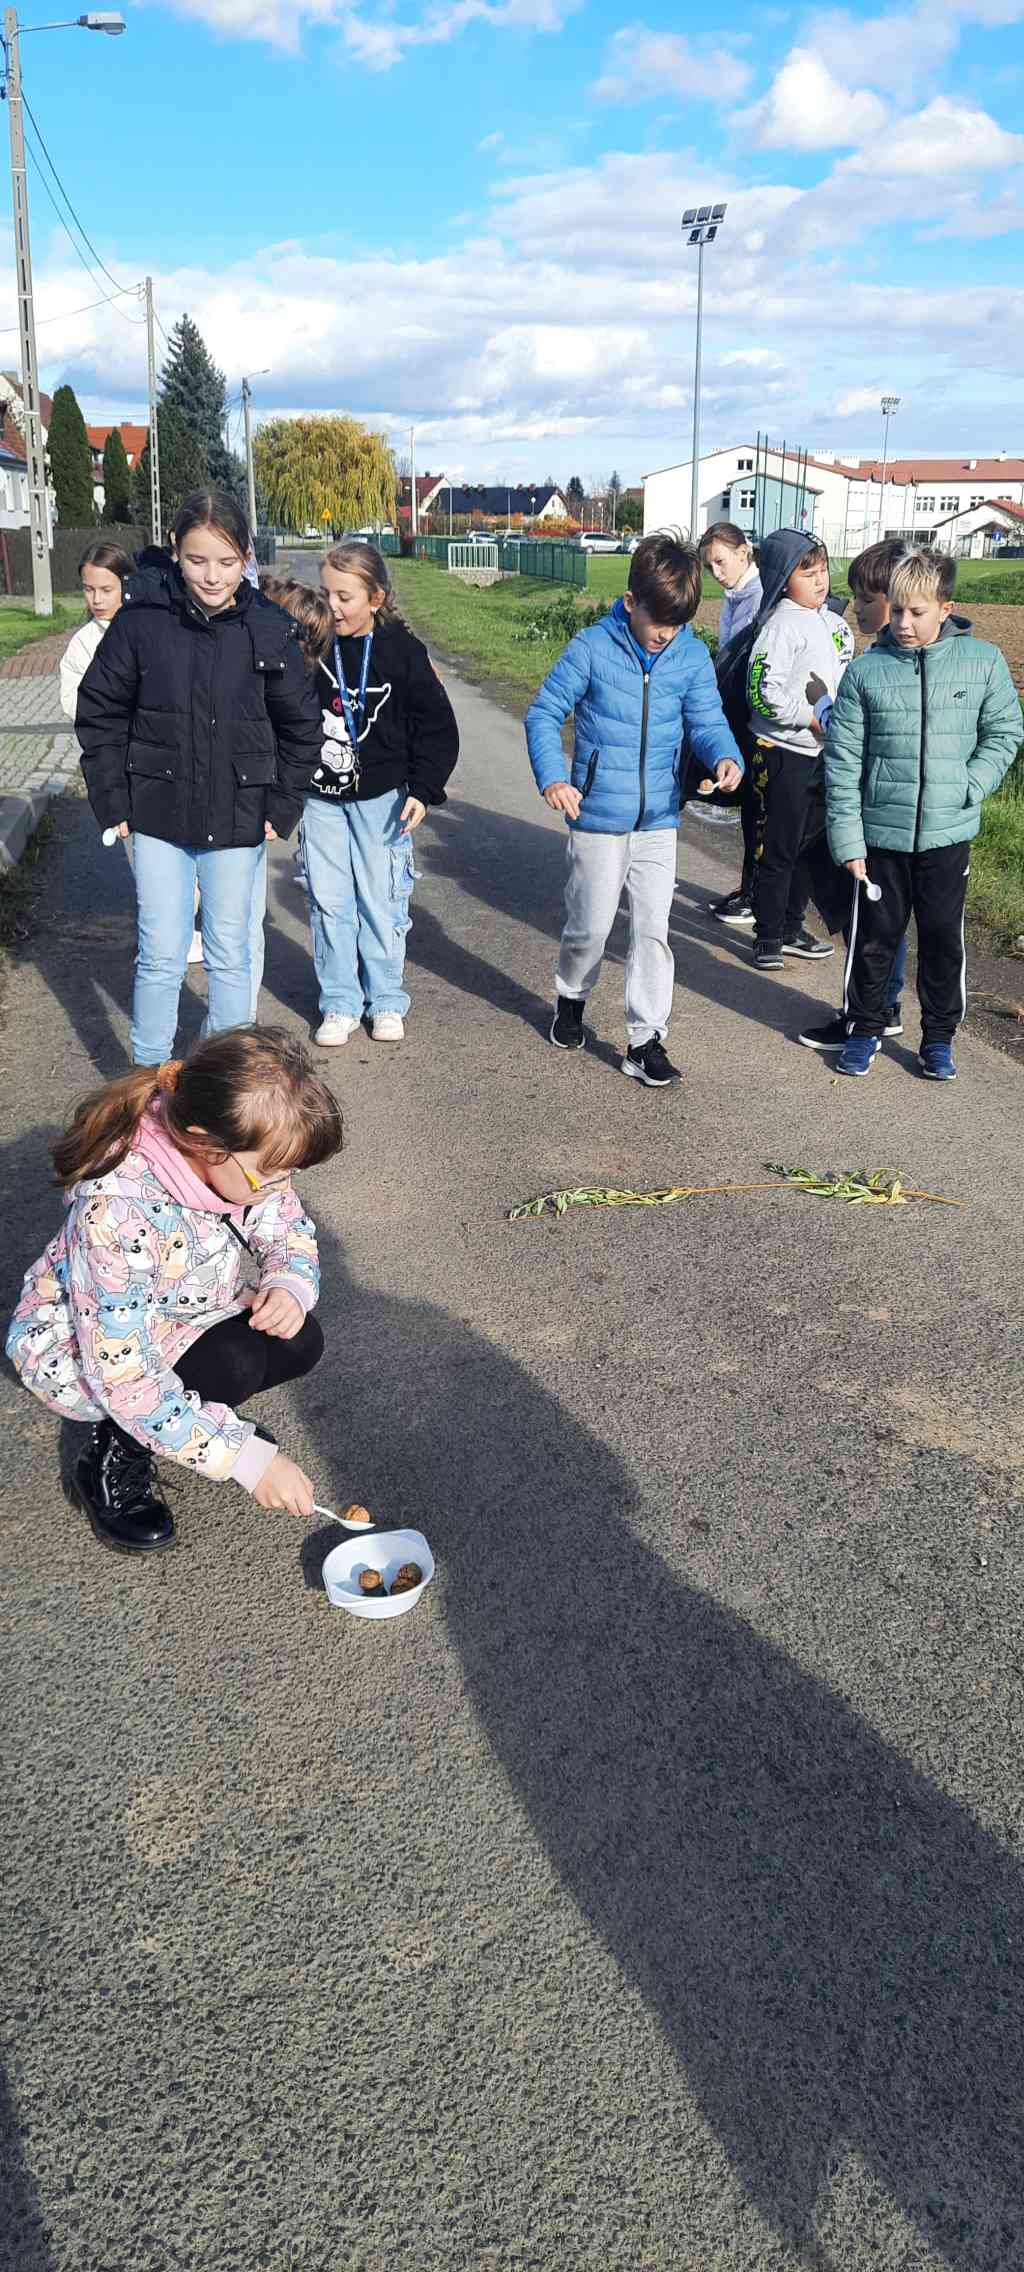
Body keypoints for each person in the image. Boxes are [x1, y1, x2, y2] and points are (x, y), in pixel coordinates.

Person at [6, 1027, 343, 1554]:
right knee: (231, 1363)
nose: (282, 1188)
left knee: (299, 1338)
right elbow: (124, 1377)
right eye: (271, 1175)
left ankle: (190, 1420)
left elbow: (286, 1227)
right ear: (206, 1143)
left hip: (182, 1305)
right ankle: (114, 1453)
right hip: (82, 1351)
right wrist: (245, 1460)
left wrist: (287, 1283)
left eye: (290, 1173)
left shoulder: (244, 1165)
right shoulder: (115, 1215)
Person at [76, 489, 322, 1065]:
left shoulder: (269, 628)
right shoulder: (142, 622)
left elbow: (302, 727)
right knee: (161, 954)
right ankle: (148, 1080)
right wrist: (113, 798)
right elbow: (100, 710)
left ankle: (224, 1079)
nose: (212, 576)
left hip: (239, 819)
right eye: (197, 559)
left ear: (246, 557)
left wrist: (282, 805)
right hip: (157, 814)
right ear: (175, 551)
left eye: (227, 561)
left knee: (230, 952)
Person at [525, 530, 743, 1086]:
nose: (667, 634)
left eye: (679, 624)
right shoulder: (591, 648)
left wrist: (724, 756)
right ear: (630, 602)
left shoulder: (690, 654)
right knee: (591, 928)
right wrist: (554, 778)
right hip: (597, 816)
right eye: (659, 622)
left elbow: (707, 720)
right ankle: (571, 997)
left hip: (659, 819)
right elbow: (544, 714)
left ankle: (645, 1040)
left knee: (652, 929)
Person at [825, 546, 1022, 1081]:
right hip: (880, 839)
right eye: (897, 611)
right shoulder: (866, 672)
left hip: (947, 836)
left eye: (917, 612)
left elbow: (1005, 732)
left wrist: (970, 784)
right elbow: (843, 762)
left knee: (942, 940)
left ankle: (938, 1037)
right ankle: (864, 1028)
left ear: (945, 608)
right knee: (873, 941)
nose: (904, 623)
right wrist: (848, 839)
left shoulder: (982, 662)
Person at [304, 540, 459, 1048]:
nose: (332, 607)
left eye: (344, 597)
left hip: (381, 801)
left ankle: (386, 1000)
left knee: (381, 900)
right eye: (326, 594)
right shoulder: (310, 646)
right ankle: (340, 1003)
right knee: (329, 902)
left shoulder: (401, 651)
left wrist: (423, 788)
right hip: (320, 800)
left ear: (375, 598)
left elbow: (435, 725)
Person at [797, 538, 911, 1052]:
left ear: (895, 598)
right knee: (887, 915)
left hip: (870, 806)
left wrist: (821, 702)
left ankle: (862, 1014)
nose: (856, 608)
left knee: (866, 916)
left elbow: (849, 733)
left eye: (866, 599)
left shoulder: (882, 661)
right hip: (896, 808)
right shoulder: (910, 657)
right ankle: (884, 1005)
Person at [744, 529, 854, 971]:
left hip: (825, 754)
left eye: (823, 570)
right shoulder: (780, 626)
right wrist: (807, 718)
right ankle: (768, 934)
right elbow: (760, 690)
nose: (819, 580)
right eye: (807, 573)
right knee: (778, 846)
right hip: (783, 752)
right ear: (782, 579)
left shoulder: (835, 623)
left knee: (808, 847)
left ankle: (792, 926)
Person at [698, 523, 763, 926]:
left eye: (721, 562)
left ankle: (756, 896)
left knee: (758, 811)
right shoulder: (736, 595)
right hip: (739, 711)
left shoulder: (757, 597)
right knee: (750, 810)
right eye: (710, 567)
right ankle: (749, 889)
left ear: (744, 553)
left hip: (756, 718)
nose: (716, 572)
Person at [59, 541, 133, 724]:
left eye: (106, 590)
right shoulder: (82, 643)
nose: (96, 600)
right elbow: (73, 702)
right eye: (89, 589)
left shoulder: (151, 628)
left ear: (127, 584)